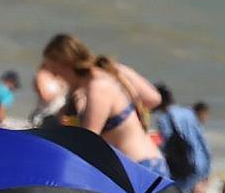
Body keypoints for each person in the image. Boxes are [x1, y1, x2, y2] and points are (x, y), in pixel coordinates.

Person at [39, 34, 166, 176]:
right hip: (147, 164)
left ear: (66, 64)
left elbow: (88, 142)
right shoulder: (113, 71)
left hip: (142, 169)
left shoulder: (98, 87)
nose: (58, 79)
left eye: (56, 73)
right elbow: (153, 99)